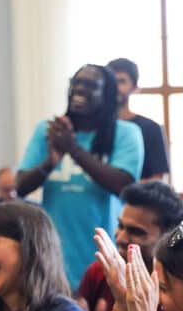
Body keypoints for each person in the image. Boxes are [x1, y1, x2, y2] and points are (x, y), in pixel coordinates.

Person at [17, 64, 144, 291]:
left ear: (107, 94)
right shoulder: (48, 131)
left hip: (103, 257)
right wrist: (50, 162)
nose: (80, 89)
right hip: (54, 257)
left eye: (91, 85)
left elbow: (122, 185)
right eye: (76, 83)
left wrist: (73, 149)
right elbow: (21, 186)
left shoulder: (126, 133)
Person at [75, 180, 183, 311]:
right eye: (120, 226)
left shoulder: (182, 289)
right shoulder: (98, 273)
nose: (121, 238)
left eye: (136, 231)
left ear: (170, 236)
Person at [108, 57, 170, 181]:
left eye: (121, 81)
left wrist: (121, 186)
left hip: (135, 199)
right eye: (111, 81)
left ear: (135, 88)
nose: (115, 87)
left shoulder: (151, 129)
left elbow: (156, 179)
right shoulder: (93, 127)